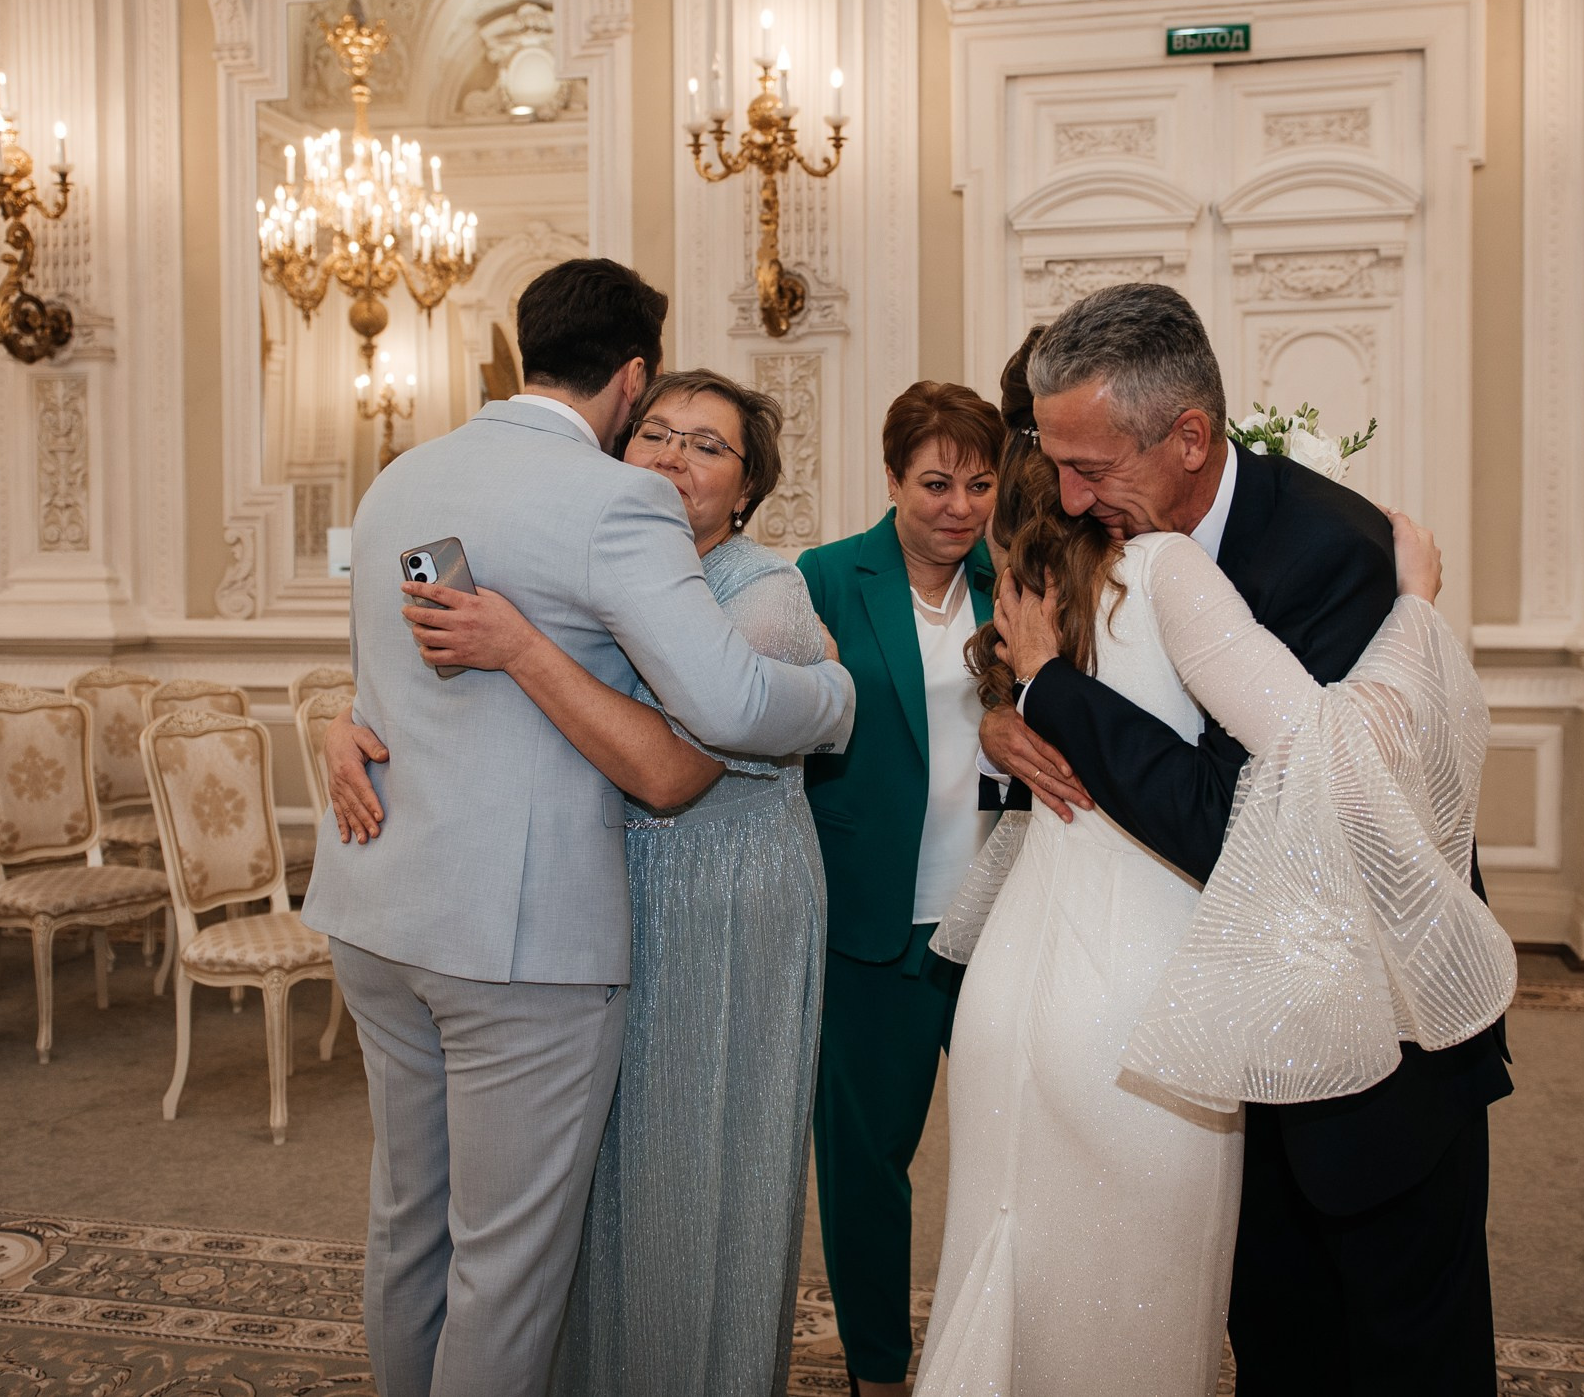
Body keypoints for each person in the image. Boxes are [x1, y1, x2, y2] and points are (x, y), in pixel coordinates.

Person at [303, 260, 855, 1397]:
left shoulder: (404, 474)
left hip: (377, 909)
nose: (671, 458)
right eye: (659, 426)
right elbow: (730, 708)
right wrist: (841, 703)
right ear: (631, 378)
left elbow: (385, 672)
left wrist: (329, 713)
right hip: (516, 939)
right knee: (505, 1267)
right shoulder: (616, 504)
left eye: (707, 447)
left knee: (411, 1222)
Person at [973, 281, 1514, 1396]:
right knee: (1279, 1346)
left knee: (1409, 1353)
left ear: (1190, 437)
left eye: (1092, 467)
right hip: (1233, 1044)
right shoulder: (1131, 540)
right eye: (1055, 460)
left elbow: (1248, 825)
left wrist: (1053, 698)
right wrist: (1008, 711)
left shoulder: (1332, 556)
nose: (1067, 498)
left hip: (1376, 1056)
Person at [793, 381, 1009, 1397]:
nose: (958, 506)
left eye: (978, 482)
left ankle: (992, 1352)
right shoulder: (828, 579)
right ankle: (879, 1370)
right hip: (875, 920)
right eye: (934, 482)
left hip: (1002, 914)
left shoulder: (1018, 580)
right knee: (867, 1164)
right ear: (891, 481)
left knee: (1016, 1151)